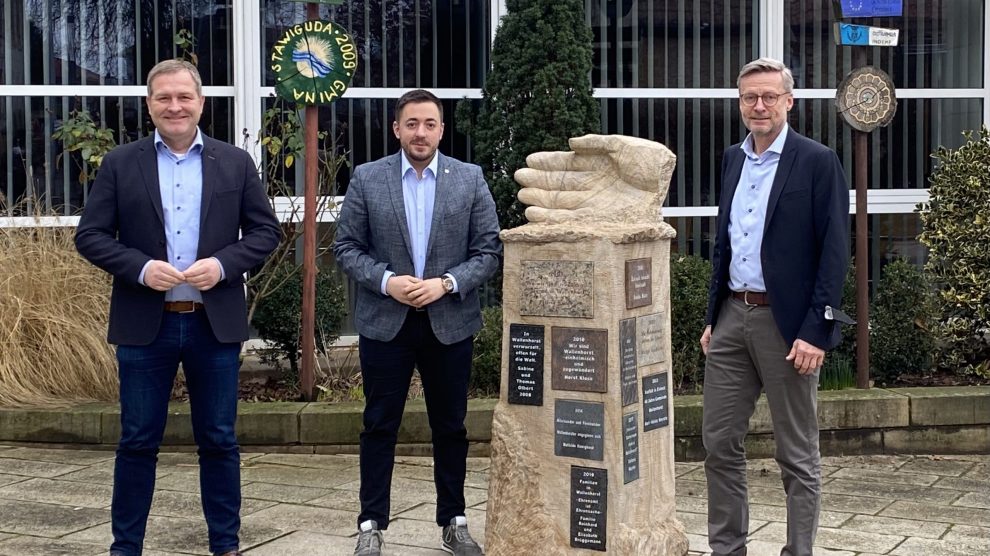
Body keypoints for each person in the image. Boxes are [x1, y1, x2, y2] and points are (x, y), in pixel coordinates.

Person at [75, 59, 281, 556]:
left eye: (184, 97)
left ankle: (225, 545)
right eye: (164, 97)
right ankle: (125, 547)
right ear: (149, 105)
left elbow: (265, 232)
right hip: (147, 325)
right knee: (138, 442)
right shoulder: (121, 164)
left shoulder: (234, 162)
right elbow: (91, 236)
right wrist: (142, 268)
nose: (175, 106)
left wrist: (225, 265)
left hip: (214, 325)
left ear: (201, 103)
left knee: (218, 441)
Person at [333, 88, 501, 556]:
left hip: (450, 322)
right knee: (378, 424)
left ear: (442, 129)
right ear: (396, 129)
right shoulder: (368, 179)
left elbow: (488, 251)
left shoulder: (470, 178)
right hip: (386, 322)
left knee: (451, 426)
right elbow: (346, 247)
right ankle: (371, 523)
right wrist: (387, 281)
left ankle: (453, 520)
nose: (420, 132)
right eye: (411, 124)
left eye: (429, 124)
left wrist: (446, 283)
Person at [699, 57, 849, 556]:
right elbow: (724, 243)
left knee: (797, 455)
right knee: (718, 443)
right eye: (749, 98)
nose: (758, 106)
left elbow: (834, 252)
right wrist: (710, 316)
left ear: (789, 100)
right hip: (731, 320)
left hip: (788, 329)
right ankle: (728, 549)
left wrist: (817, 330)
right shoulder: (732, 159)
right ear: (740, 103)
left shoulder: (817, 160)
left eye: (768, 97)